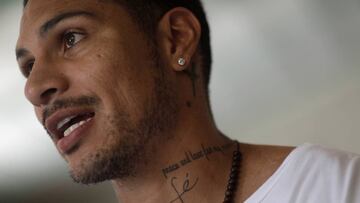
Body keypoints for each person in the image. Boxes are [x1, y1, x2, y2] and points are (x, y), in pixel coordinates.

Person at [15, 0, 360, 202]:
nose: (34, 88)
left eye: (71, 38)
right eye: (28, 66)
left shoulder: (332, 188)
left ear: (176, 40)